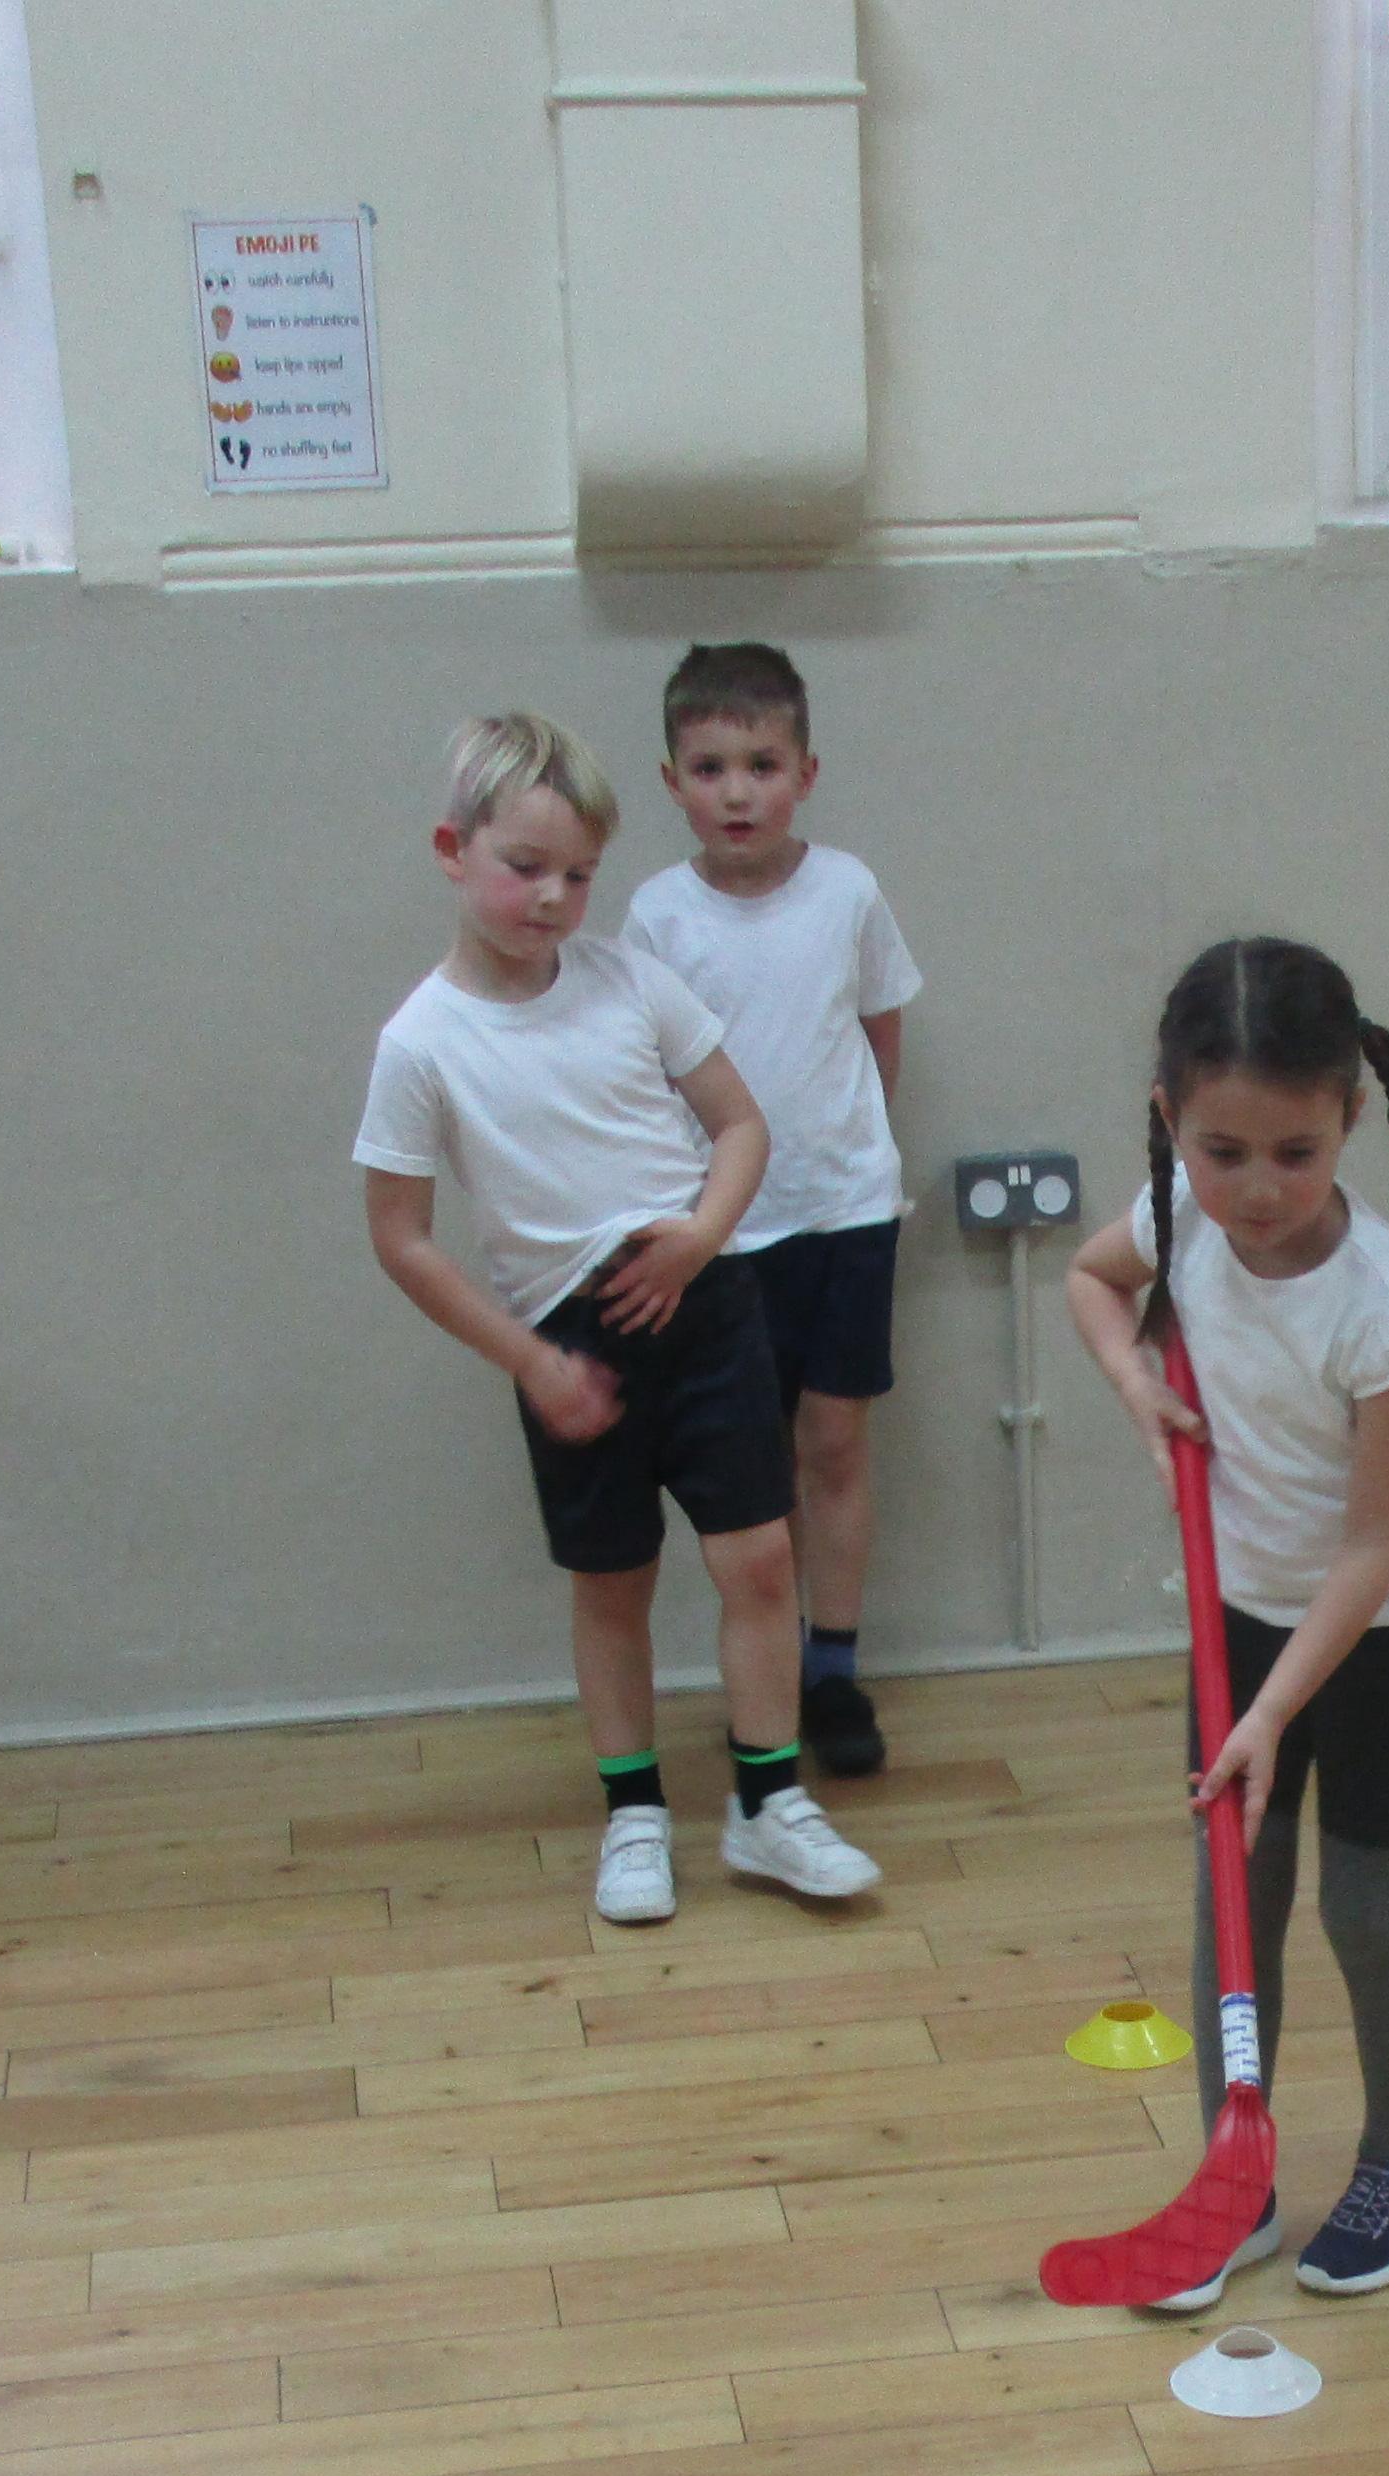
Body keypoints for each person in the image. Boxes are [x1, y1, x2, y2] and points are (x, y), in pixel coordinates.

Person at [356, 709, 879, 1925]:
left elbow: (739, 1125)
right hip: (570, 1341)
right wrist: (533, 1361)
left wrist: (698, 1235)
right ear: (452, 850)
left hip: (706, 1305)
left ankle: (767, 1803)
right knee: (612, 1582)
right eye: (525, 866)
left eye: (579, 874)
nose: (553, 897)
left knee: (759, 1557)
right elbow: (400, 1238)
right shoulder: (419, 1043)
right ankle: (634, 1813)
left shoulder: (634, 982)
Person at [1060, 939, 1389, 2312]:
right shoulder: (1178, 1216)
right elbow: (1091, 1279)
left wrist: (1269, 1712)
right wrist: (1134, 1380)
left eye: (1295, 1154)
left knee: (1362, 1908)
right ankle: (1232, 2176)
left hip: (1378, 1627)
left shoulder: (1386, 1310)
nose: (1254, 1190)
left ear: (1350, 1117)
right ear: (1170, 1116)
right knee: (1234, 1892)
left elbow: (1373, 1547)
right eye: (1220, 1151)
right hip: (1240, 1605)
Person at [624, 641, 924, 1778]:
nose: (737, 792)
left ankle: (834, 1668)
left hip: (845, 1214)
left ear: (806, 771)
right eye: (710, 769)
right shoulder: (656, 916)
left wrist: (854, 1155)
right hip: (722, 1233)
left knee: (834, 1443)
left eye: (761, 765)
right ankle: (770, 1675)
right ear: (672, 782)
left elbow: (879, 1032)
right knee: (752, 1466)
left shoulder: (847, 891)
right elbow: (640, 1072)